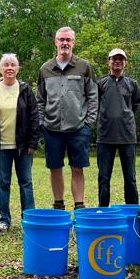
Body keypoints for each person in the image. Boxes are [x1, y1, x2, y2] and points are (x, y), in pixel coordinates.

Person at [36, 26, 98, 211]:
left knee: (77, 168)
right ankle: (58, 204)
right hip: (52, 129)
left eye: (68, 40)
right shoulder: (45, 69)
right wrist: (42, 123)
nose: (64, 43)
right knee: (55, 168)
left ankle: (79, 206)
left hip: (78, 128)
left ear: (73, 43)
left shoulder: (84, 66)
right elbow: (40, 99)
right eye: (61, 39)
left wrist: (88, 123)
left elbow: (93, 96)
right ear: (55, 42)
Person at [0, 53, 39, 232]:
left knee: (26, 182)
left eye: (13, 65)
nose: (9, 68)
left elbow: (34, 117)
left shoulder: (25, 89)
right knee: (2, 183)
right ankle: (3, 220)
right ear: (0, 69)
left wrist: (32, 142)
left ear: (17, 69)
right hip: (1, 146)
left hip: (22, 146)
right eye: (5, 65)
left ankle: (28, 218)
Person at [95, 48, 140, 207]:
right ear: (109, 62)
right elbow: (95, 105)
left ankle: (132, 211)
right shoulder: (100, 83)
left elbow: (135, 104)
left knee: (130, 178)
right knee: (103, 177)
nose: (117, 61)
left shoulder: (132, 83)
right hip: (105, 136)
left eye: (121, 59)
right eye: (114, 59)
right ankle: (103, 210)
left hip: (127, 136)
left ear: (125, 63)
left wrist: (124, 117)